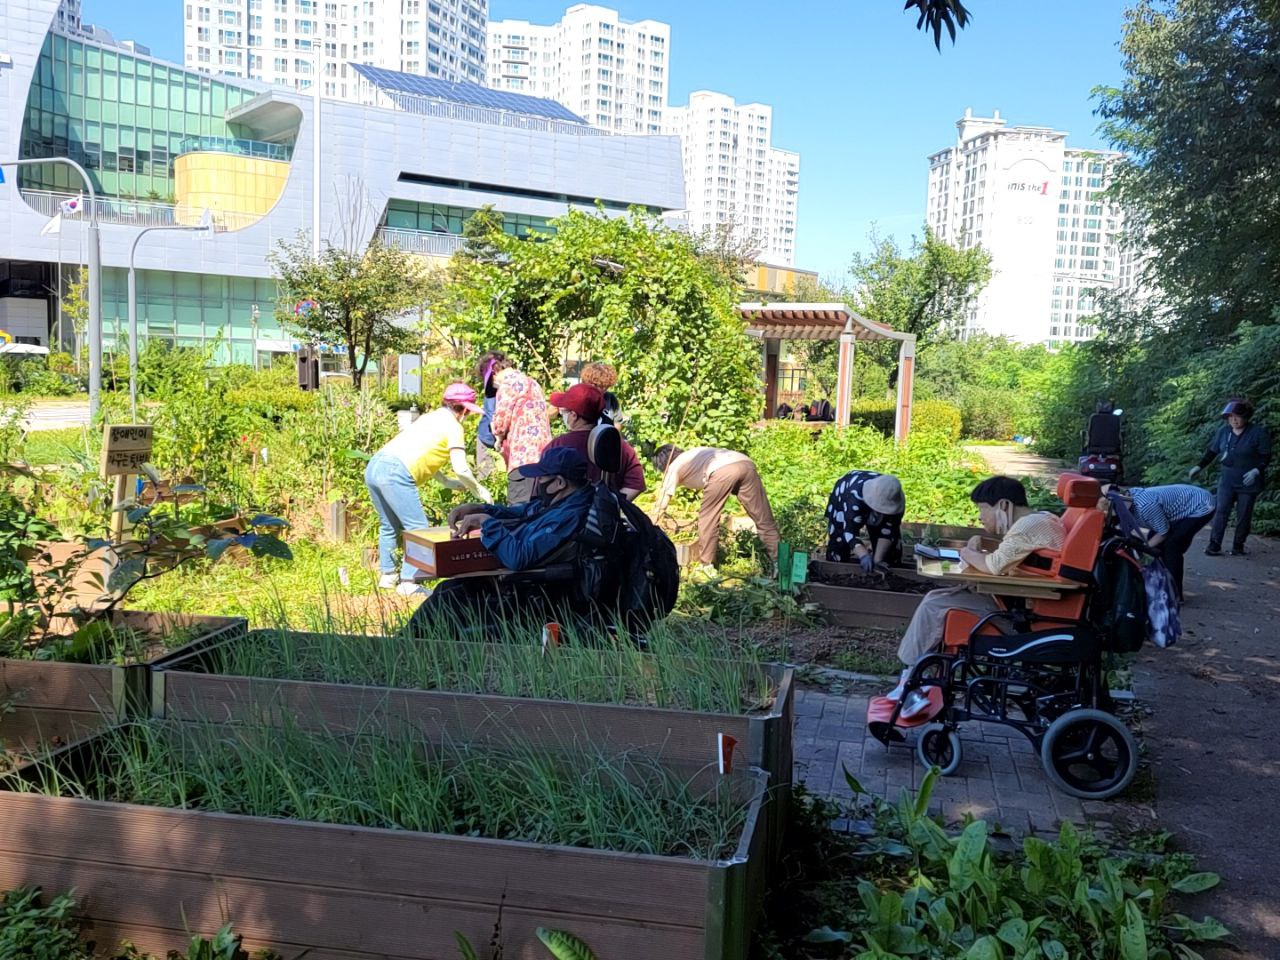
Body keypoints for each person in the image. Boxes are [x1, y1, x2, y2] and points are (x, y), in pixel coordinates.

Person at [889, 476, 1066, 715]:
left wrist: (966, 552)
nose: (980, 516)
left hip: (1023, 617)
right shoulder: (1041, 519)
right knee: (943, 595)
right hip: (1023, 605)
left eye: (983, 509)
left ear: (1003, 505)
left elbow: (994, 566)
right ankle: (913, 680)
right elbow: (1010, 555)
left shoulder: (1026, 526)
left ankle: (909, 683)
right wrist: (978, 545)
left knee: (934, 603)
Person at [365, 383, 493, 595]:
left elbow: (422, 455)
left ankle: (387, 576)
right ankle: (410, 581)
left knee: (389, 525)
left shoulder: (430, 418)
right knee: (418, 528)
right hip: (395, 472)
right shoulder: (454, 426)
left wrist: (448, 483)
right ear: (464, 409)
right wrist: (479, 491)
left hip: (375, 466)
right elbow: (461, 468)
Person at [446, 447, 594, 571]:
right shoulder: (559, 502)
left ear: (560, 482)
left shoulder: (570, 516)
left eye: (541, 478)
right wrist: (479, 508)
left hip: (531, 589)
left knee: (445, 594)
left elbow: (518, 558)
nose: (537, 483)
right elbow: (520, 513)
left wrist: (487, 523)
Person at [651, 444, 780, 573]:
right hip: (746, 463)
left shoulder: (674, 465)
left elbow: (663, 502)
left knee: (708, 518)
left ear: (664, 464)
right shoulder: (693, 453)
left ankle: (706, 566)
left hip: (722, 471)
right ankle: (780, 563)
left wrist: (650, 526)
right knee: (763, 518)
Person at [1190, 398, 1271, 556]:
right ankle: (1214, 545)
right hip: (1227, 480)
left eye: (1237, 416)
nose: (1233, 419)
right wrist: (1199, 466)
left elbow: (1266, 457)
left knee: (1244, 514)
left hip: (1248, 482)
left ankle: (1238, 545)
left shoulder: (1258, 433)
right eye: (1230, 416)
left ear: (1245, 417)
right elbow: (1212, 452)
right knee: (1221, 511)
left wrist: (1256, 470)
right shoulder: (1224, 432)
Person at [1112, 483, 1215, 602]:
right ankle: (1157, 584)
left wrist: (1144, 548)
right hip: (1177, 507)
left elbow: (1163, 532)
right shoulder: (1125, 507)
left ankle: (1174, 595)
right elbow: (1125, 535)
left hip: (1201, 504)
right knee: (1154, 543)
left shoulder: (1145, 507)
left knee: (1172, 546)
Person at [545, 383, 646, 500]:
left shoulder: (557, 445)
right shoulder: (620, 445)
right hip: (606, 517)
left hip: (564, 516)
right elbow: (636, 484)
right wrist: (611, 506)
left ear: (573, 415)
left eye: (564, 412)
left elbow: (543, 485)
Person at [491, 364, 553, 504]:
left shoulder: (507, 385)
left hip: (522, 458)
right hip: (544, 456)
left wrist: (497, 438)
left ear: (494, 373)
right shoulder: (533, 383)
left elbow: (500, 423)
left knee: (518, 509)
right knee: (540, 508)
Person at [824, 471, 906, 571]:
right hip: (846, 491)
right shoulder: (854, 497)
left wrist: (878, 560)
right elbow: (850, 533)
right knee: (839, 541)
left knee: (890, 554)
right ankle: (837, 568)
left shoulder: (895, 497)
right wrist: (863, 555)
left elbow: (889, 531)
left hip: (879, 493)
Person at [473, 351, 510, 481]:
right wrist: (499, 441)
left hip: (503, 440)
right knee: (486, 478)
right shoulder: (492, 392)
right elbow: (492, 418)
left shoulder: (513, 386)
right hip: (487, 440)